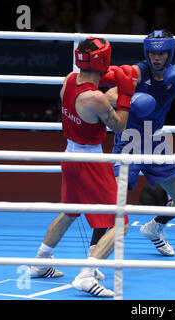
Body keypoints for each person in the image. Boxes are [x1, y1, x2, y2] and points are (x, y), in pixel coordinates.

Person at [27, 37, 138, 298]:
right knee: (120, 223)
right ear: (104, 60)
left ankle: (41, 261)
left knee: (70, 212)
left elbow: (91, 91)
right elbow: (120, 125)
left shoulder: (68, 81)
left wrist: (111, 82)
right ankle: (87, 275)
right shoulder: (95, 99)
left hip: (70, 155)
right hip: (90, 161)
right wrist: (126, 93)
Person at [101, 29, 175, 257]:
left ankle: (154, 228)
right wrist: (129, 99)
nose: (157, 58)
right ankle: (94, 255)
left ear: (170, 53)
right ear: (147, 52)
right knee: (113, 202)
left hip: (156, 141)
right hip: (128, 140)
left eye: (162, 54)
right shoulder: (137, 73)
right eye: (153, 54)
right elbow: (106, 98)